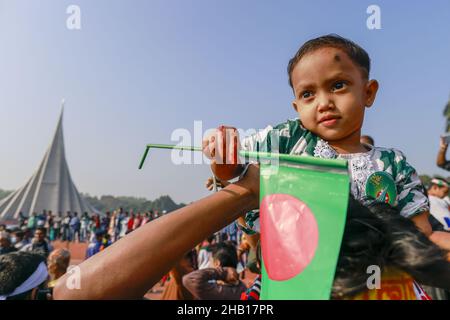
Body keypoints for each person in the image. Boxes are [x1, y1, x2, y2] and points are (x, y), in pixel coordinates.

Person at [203, 34, 434, 240]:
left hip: (383, 281)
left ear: (368, 92)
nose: (323, 103)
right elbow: (233, 169)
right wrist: (223, 147)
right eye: (308, 94)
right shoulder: (289, 139)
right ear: (297, 107)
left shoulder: (394, 164)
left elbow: (421, 232)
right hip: (300, 282)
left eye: (338, 85)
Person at [182, 241, 247, 300]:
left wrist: (224, 272)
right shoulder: (243, 288)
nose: (210, 263)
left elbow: (188, 280)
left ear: (217, 263)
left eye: (211, 260)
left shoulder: (217, 291)